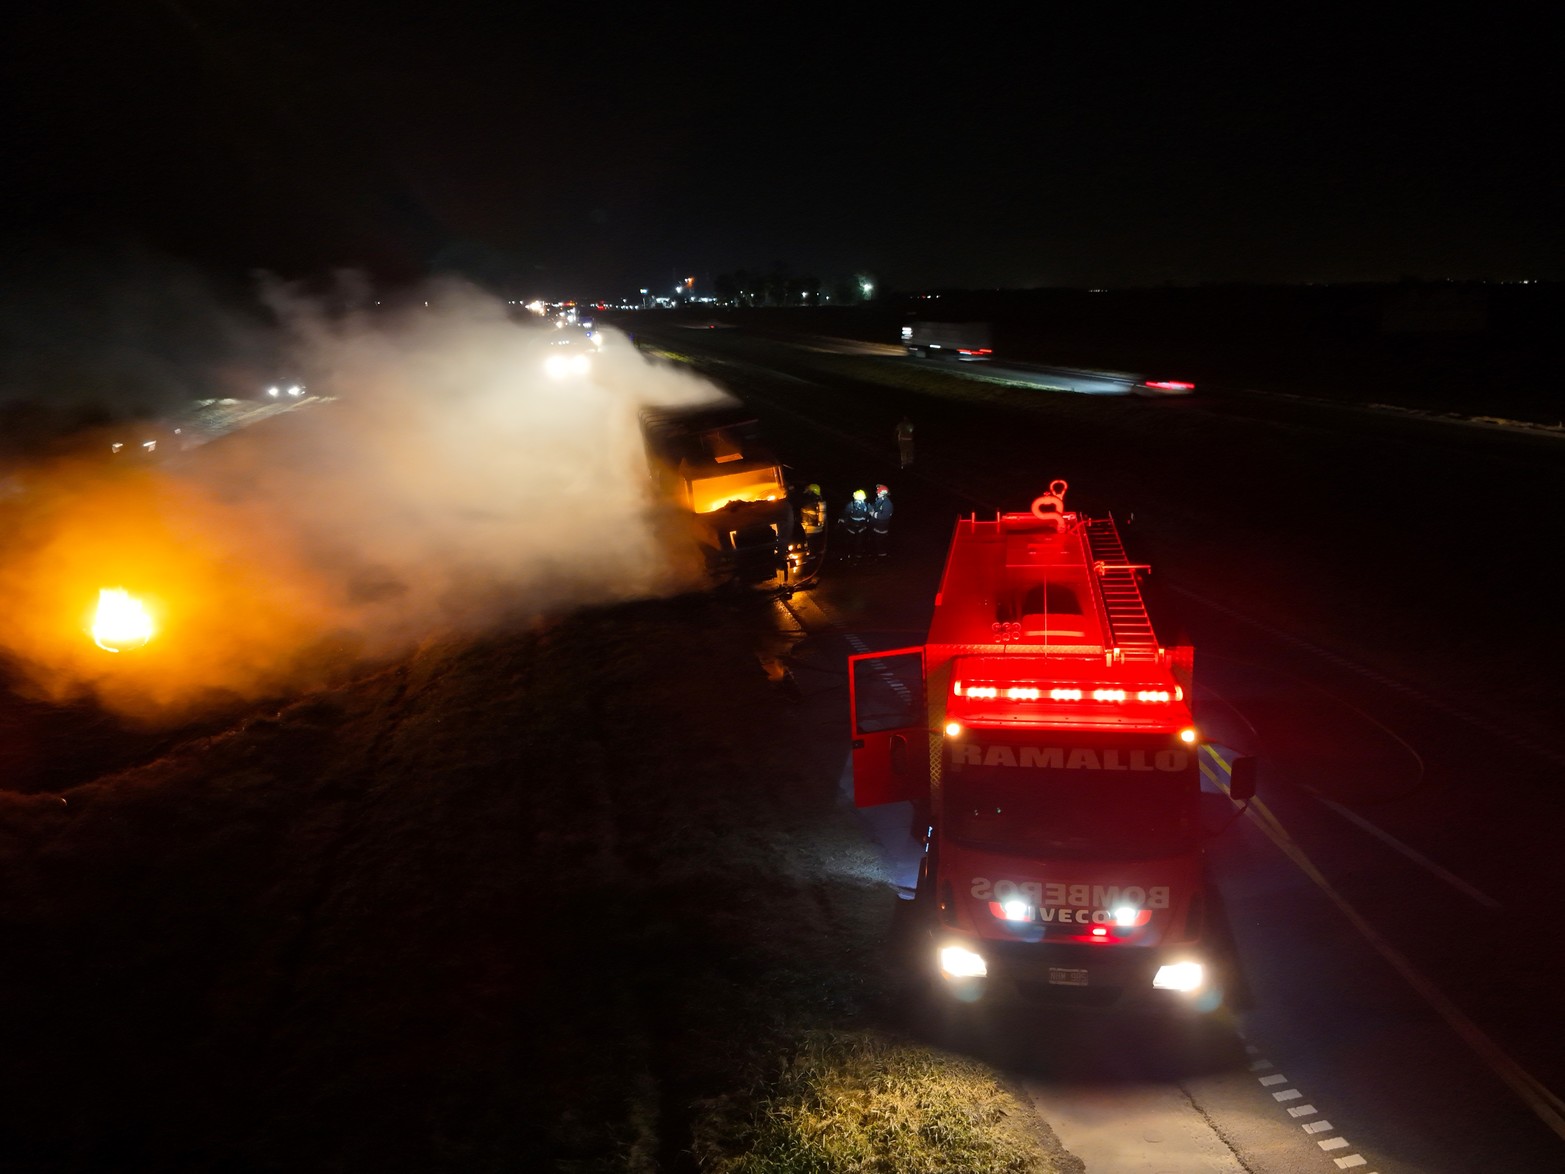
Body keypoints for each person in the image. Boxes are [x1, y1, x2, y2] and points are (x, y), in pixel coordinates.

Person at [838, 488, 872, 559]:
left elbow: (870, 516)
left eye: (860, 500)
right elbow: (845, 515)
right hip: (852, 527)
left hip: (860, 528)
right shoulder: (851, 505)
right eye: (858, 500)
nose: (859, 502)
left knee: (857, 542)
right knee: (852, 542)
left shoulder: (866, 506)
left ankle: (856, 556)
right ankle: (851, 555)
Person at [870, 483, 893, 557]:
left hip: (881, 527)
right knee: (876, 540)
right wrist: (871, 507)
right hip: (876, 524)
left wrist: (873, 514)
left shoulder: (887, 504)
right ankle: (876, 553)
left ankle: (882, 556)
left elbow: (884, 516)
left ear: (883, 493)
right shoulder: (880, 499)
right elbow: (876, 507)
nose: (877, 492)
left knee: (880, 542)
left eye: (878, 491)